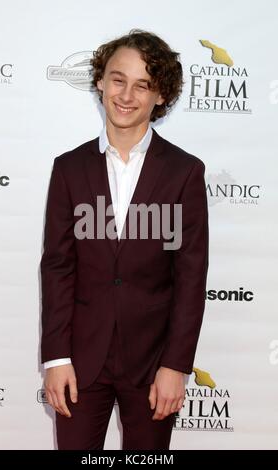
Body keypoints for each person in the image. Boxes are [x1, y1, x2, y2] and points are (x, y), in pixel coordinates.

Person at [40, 28, 209, 450]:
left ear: (161, 95)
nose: (126, 95)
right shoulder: (69, 168)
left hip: (153, 365)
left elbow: (191, 277)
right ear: (100, 81)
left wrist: (176, 365)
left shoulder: (184, 172)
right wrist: (56, 358)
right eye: (118, 79)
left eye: (143, 85)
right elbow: (59, 266)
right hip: (80, 361)